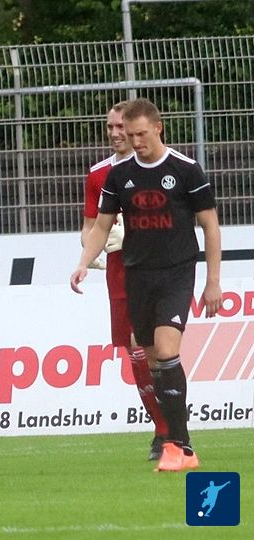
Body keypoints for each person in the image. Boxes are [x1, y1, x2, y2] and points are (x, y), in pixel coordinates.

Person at [71, 98, 222, 472]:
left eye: (140, 134)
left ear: (158, 128)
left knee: (167, 350)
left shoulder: (185, 170)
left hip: (176, 273)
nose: (135, 141)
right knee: (152, 358)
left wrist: (213, 282)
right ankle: (174, 439)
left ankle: (180, 447)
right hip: (137, 275)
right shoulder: (119, 175)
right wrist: (83, 263)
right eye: (130, 134)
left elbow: (210, 226)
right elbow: (101, 226)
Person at [81, 102, 169, 461]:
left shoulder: (159, 166)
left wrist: (131, 234)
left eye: (122, 127)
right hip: (119, 273)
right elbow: (90, 227)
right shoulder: (98, 174)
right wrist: (93, 250)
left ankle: (169, 427)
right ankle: (161, 428)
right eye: (111, 127)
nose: (117, 134)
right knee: (134, 352)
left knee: (152, 348)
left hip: (155, 269)